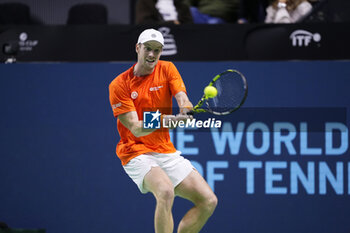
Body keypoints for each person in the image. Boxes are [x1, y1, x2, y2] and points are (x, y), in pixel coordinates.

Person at [109, 28, 217, 233]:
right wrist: (170, 120)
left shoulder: (167, 69)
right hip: (135, 151)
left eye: (157, 50)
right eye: (148, 49)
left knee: (208, 201)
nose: (152, 54)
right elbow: (136, 127)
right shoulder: (119, 84)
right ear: (137, 48)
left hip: (164, 150)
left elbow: (181, 97)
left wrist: (185, 108)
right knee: (165, 191)